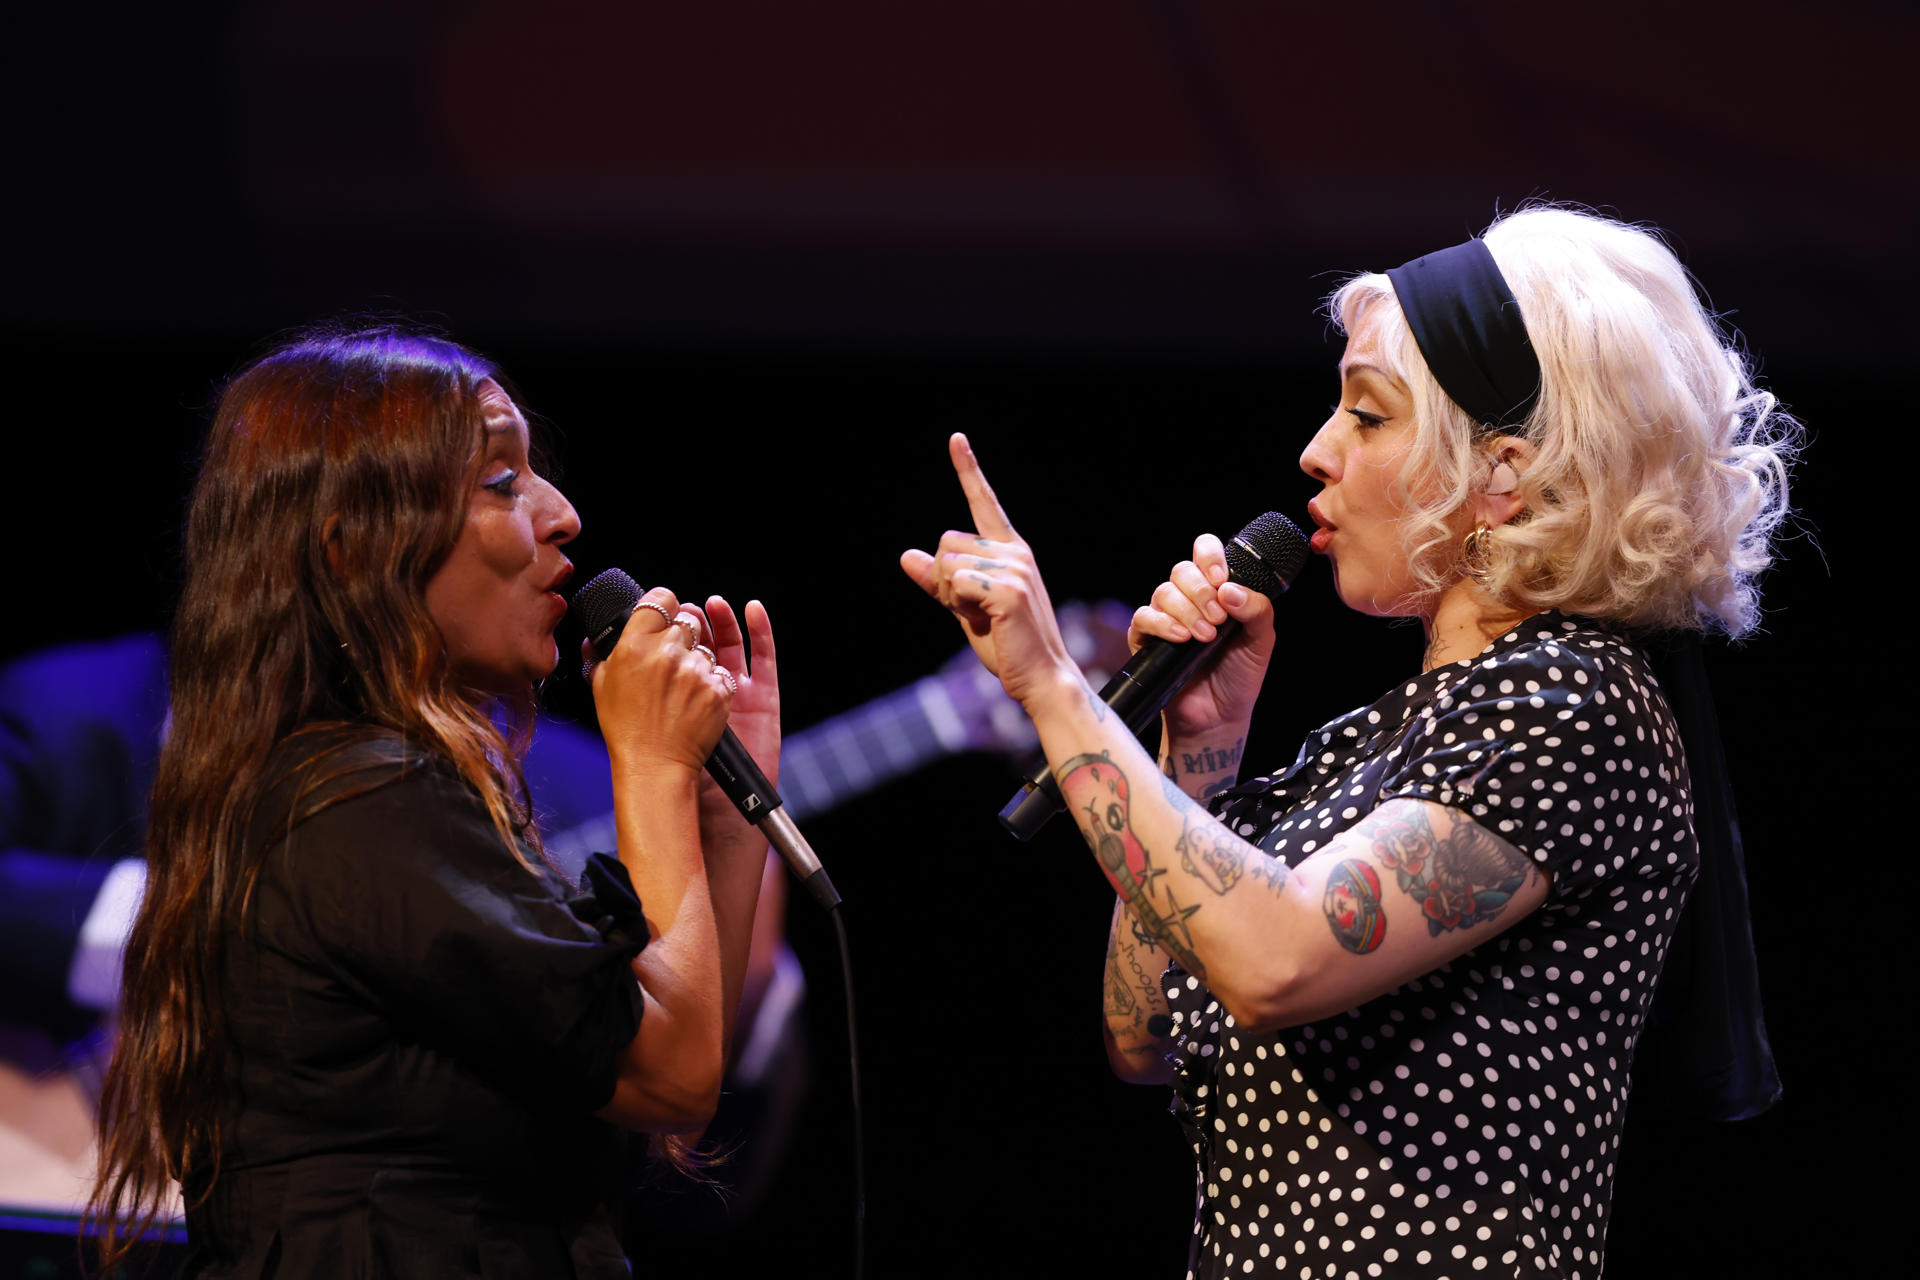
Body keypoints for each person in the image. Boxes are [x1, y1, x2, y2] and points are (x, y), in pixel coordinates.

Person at [903, 205, 1794, 1278]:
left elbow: (1279, 956)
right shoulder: (1370, 748)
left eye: (1368, 416)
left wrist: (1054, 685)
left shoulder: (1572, 707)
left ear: (1501, 476)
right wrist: (1203, 749)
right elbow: (1143, 1032)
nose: (1316, 452)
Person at [86, 324, 778, 1278]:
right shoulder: (354, 803)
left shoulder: (375, 793)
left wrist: (716, 810)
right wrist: (651, 768)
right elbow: (669, 1070)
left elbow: (669, 1067)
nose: (562, 513)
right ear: (351, 550)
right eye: (500, 482)